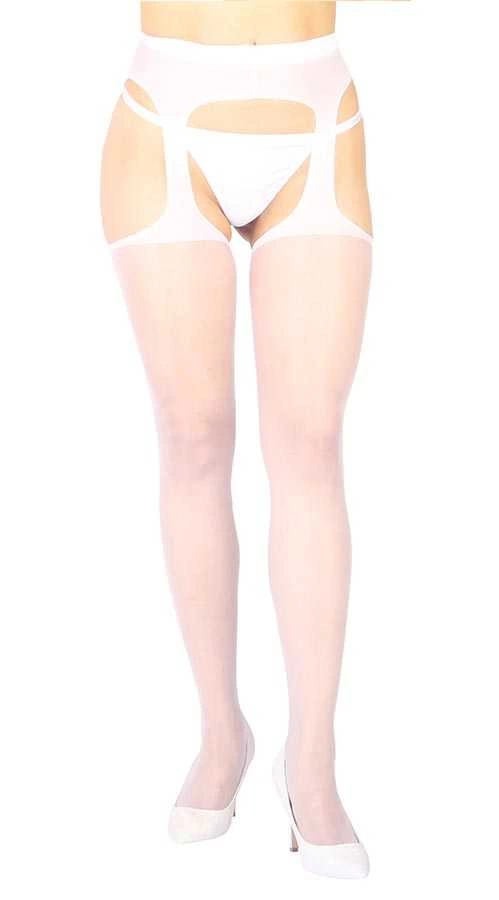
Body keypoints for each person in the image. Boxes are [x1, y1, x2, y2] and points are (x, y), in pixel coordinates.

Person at [100, 0, 373, 878]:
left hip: (315, 109)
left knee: (310, 443)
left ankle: (313, 764)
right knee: (192, 437)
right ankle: (222, 733)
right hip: (164, 111)